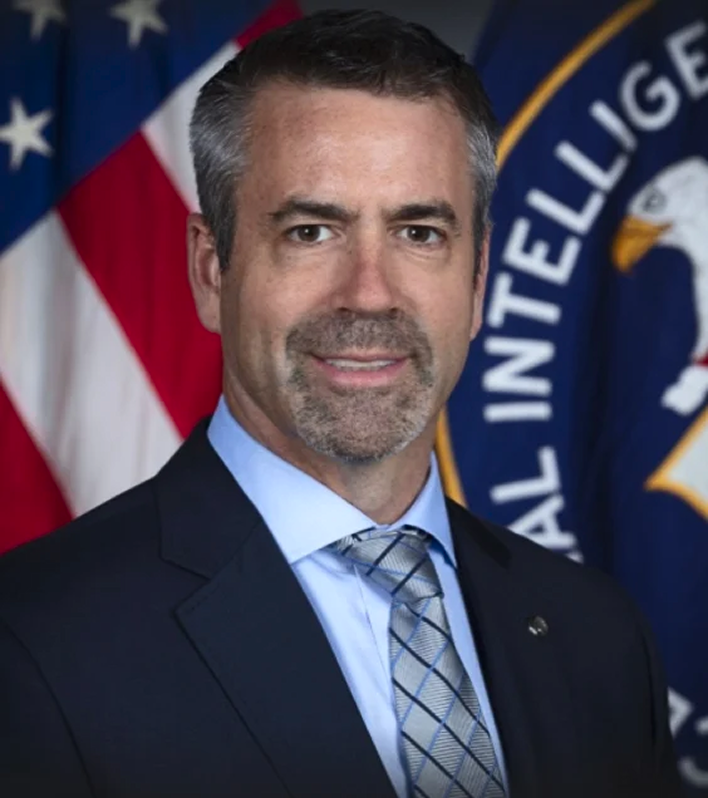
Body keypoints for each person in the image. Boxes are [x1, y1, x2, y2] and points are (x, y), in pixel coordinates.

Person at [0, 10, 681, 798]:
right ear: (211, 269)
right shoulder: (34, 646)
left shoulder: (599, 637)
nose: (369, 294)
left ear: (478, 277)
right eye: (312, 231)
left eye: (419, 232)